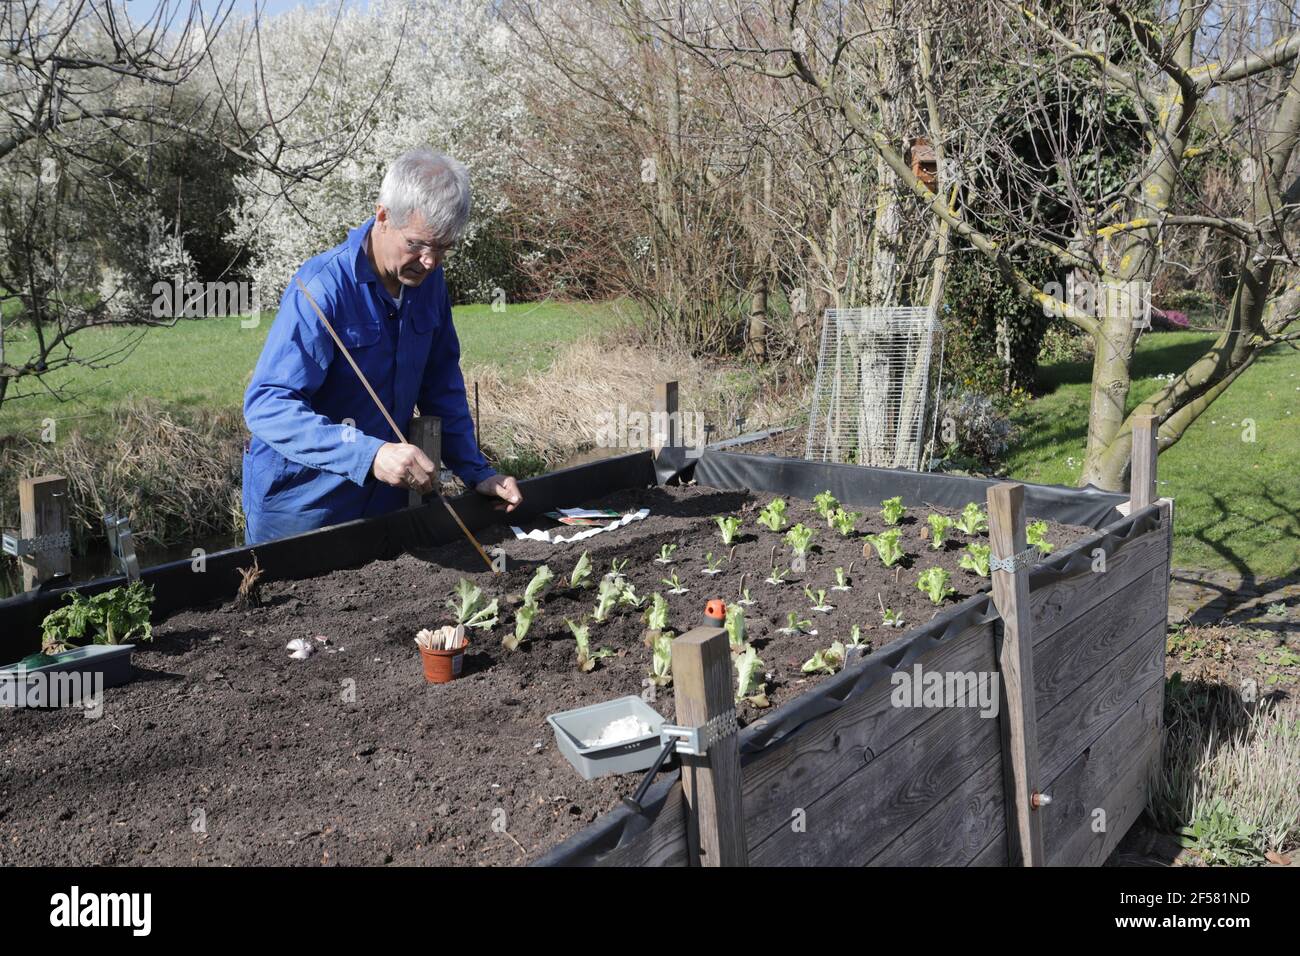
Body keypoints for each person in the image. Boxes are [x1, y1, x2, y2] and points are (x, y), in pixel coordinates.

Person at [241, 147, 521, 544]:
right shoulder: (320, 288)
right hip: (301, 510)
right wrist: (369, 455)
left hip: (383, 507)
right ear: (383, 216)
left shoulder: (428, 285)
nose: (430, 263)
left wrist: (476, 472)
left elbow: (441, 383)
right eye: (419, 245)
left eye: (444, 250)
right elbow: (268, 406)